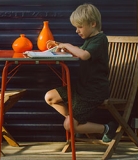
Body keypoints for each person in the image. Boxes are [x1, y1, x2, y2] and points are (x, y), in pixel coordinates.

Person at [44, 3, 117, 142]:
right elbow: (80, 52)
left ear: (93, 24)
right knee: (50, 97)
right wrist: (63, 49)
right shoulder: (90, 40)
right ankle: (75, 122)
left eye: (80, 27)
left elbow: (84, 55)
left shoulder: (100, 39)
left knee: (68, 126)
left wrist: (67, 45)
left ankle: (106, 128)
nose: (77, 31)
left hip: (93, 92)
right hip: (81, 89)